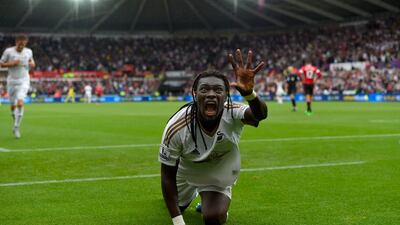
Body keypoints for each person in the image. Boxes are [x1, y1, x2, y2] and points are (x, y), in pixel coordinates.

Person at [159, 49, 268, 225]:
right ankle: (195, 194)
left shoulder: (232, 112)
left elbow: (260, 114)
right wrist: (178, 222)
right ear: (195, 94)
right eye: (204, 89)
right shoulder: (176, 127)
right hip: (188, 167)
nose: (211, 94)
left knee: (213, 218)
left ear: (226, 95)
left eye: (218, 90)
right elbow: (167, 176)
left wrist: (250, 95)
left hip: (220, 169)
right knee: (177, 206)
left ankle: (212, 201)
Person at [0, 34, 35, 139]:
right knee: (12, 106)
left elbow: (31, 61)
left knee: (20, 103)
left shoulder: (29, 51)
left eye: (23, 44)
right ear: (16, 42)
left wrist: (32, 64)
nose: (21, 46)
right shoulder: (8, 51)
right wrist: (12, 64)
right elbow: (1, 64)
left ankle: (16, 127)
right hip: (11, 81)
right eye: (20, 44)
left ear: (26, 43)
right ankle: (14, 120)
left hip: (24, 80)